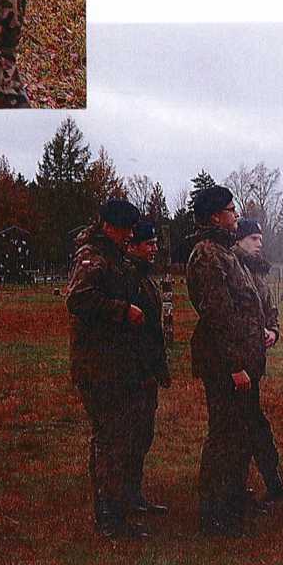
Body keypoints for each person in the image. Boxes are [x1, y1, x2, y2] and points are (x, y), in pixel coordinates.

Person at [67, 200, 162, 538]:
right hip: (98, 366)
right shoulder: (92, 256)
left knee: (122, 438)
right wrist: (123, 311)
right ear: (110, 226)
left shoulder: (113, 256)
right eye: (127, 229)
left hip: (116, 363)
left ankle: (120, 508)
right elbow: (77, 299)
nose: (131, 235)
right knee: (110, 440)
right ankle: (110, 519)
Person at [185, 184, 264, 536]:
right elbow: (218, 315)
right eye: (231, 210)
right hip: (224, 363)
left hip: (240, 358)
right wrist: (235, 366)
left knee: (238, 434)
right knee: (223, 437)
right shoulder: (207, 255)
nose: (236, 215)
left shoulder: (224, 251)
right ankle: (214, 513)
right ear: (216, 216)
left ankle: (232, 502)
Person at [234, 219, 283, 506]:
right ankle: (237, 492)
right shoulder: (233, 269)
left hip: (253, 361)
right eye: (253, 238)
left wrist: (272, 331)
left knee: (254, 424)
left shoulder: (257, 273)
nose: (259, 243)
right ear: (239, 240)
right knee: (241, 428)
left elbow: (269, 309)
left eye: (260, 238)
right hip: (237, 361)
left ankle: (271, 485)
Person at [124, 218, 171, 517]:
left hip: (147, 369)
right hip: (133, 371)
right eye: (148, 244)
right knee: (129, 437)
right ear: (132, 245)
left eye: (155, 243)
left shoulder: (144, 277)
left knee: (142, 436)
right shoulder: (128, 278)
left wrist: (159, 366)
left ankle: (134, 494)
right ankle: (122, 500)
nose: (154, 249)